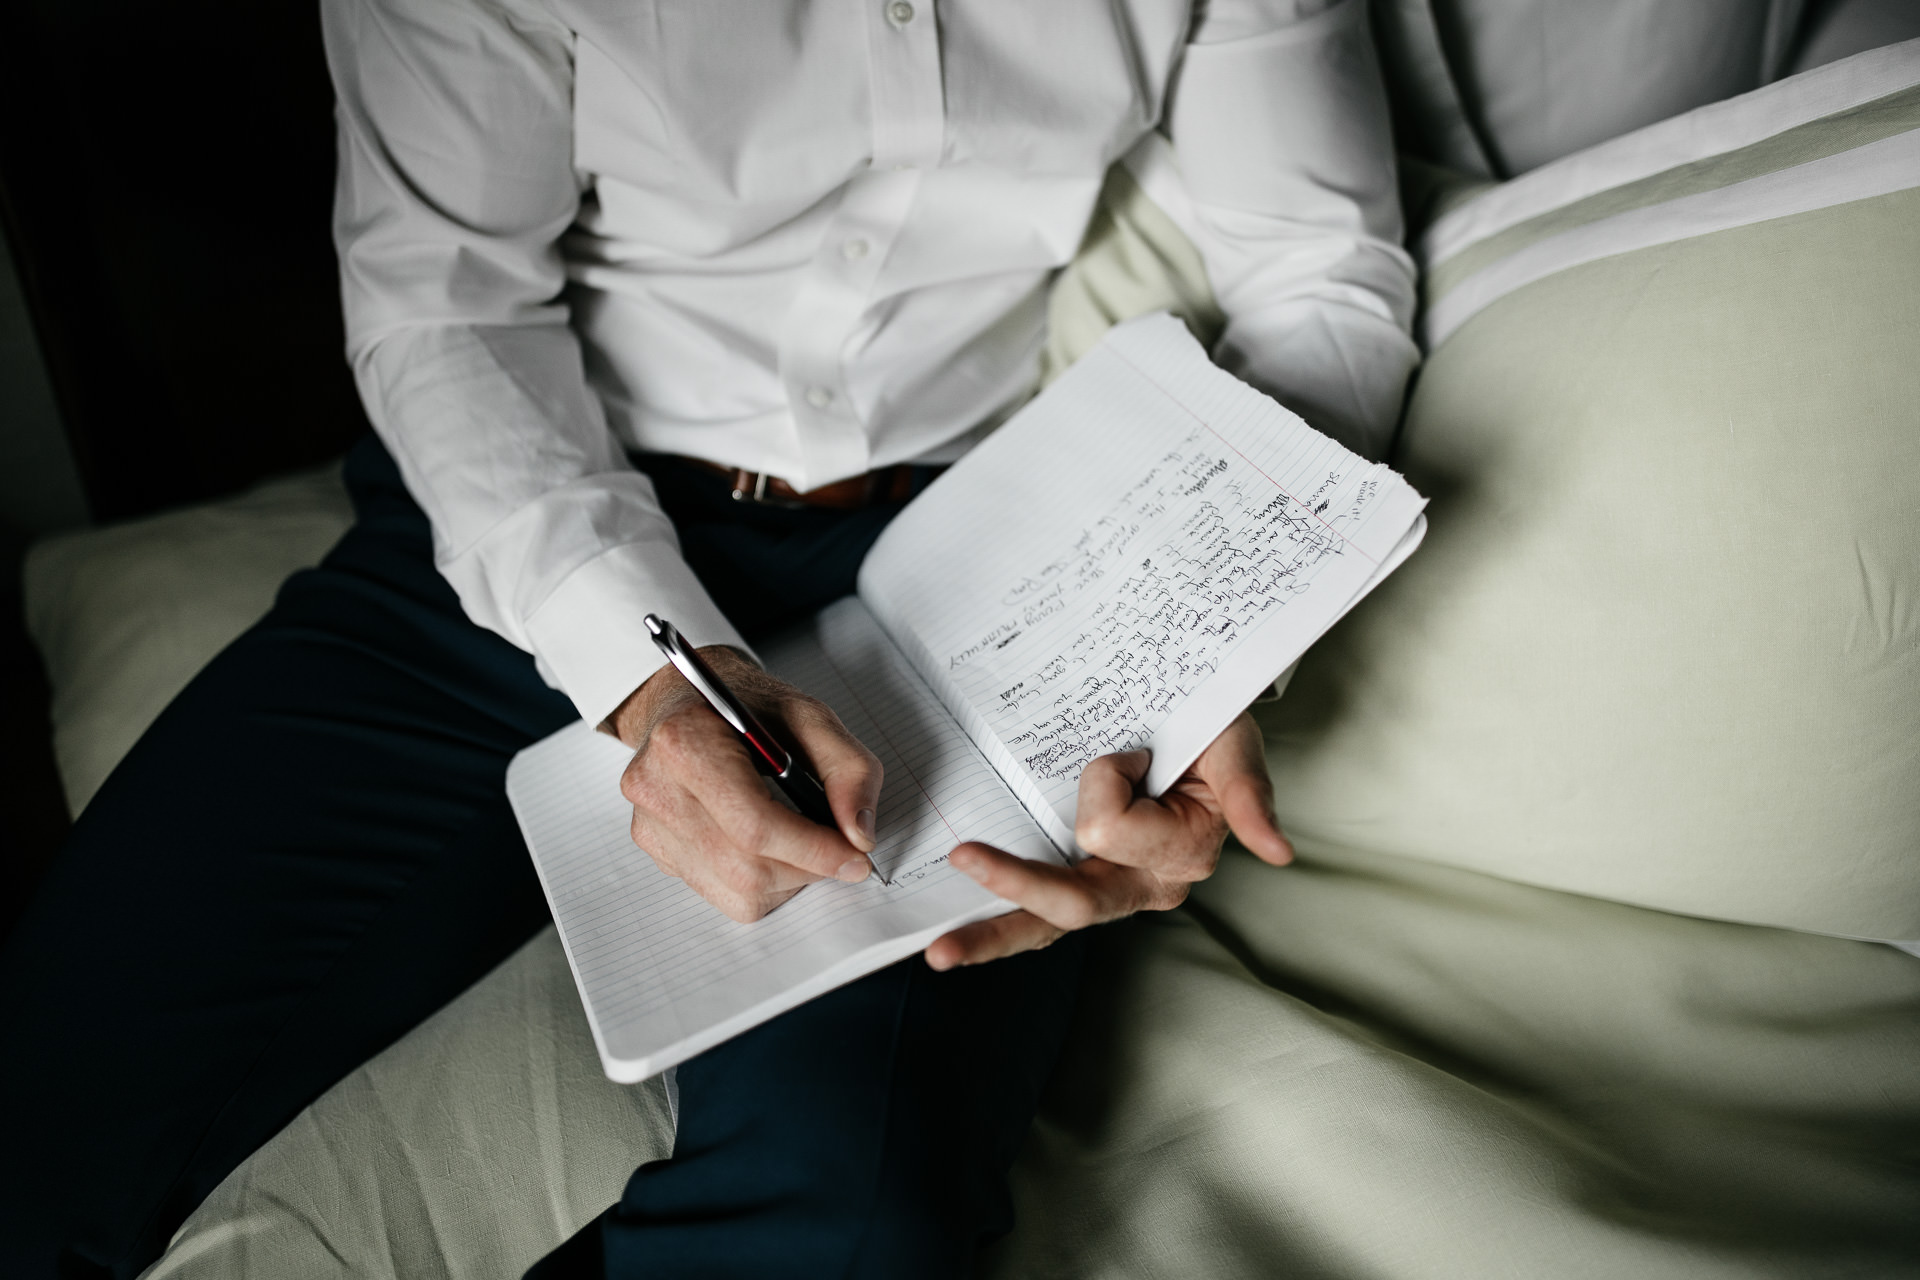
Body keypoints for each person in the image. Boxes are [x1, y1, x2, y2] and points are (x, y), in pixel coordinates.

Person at [0, 0, 1417, 1275]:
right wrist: (642, 672)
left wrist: (1209, 634)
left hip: (961, 566)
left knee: (853, 1226)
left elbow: (1322, 274)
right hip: (530, 515)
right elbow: (448, 314)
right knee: (55, 1088)